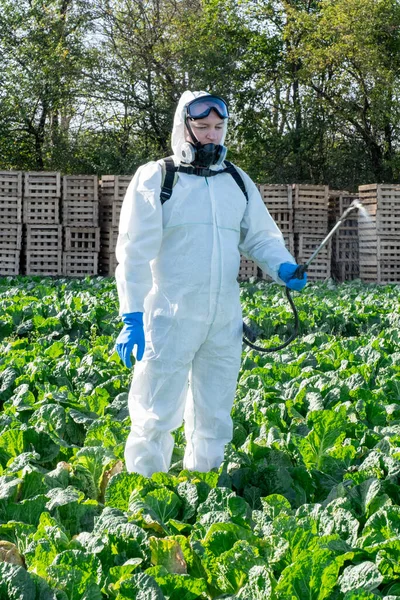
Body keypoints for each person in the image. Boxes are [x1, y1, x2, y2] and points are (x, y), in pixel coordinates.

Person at [115, 90, 307, 478]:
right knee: (154, 411)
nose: (211, 136)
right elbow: (133, 251)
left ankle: (203, 489)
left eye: (218, 128)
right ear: (183, 128)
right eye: (202, 127)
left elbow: (260, 236)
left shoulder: (235, 180)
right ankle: (143, 489)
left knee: (215, 414)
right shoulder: (158, 178)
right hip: (170, 314)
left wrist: (283, 265)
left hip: (223, 318)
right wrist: (131, 316)